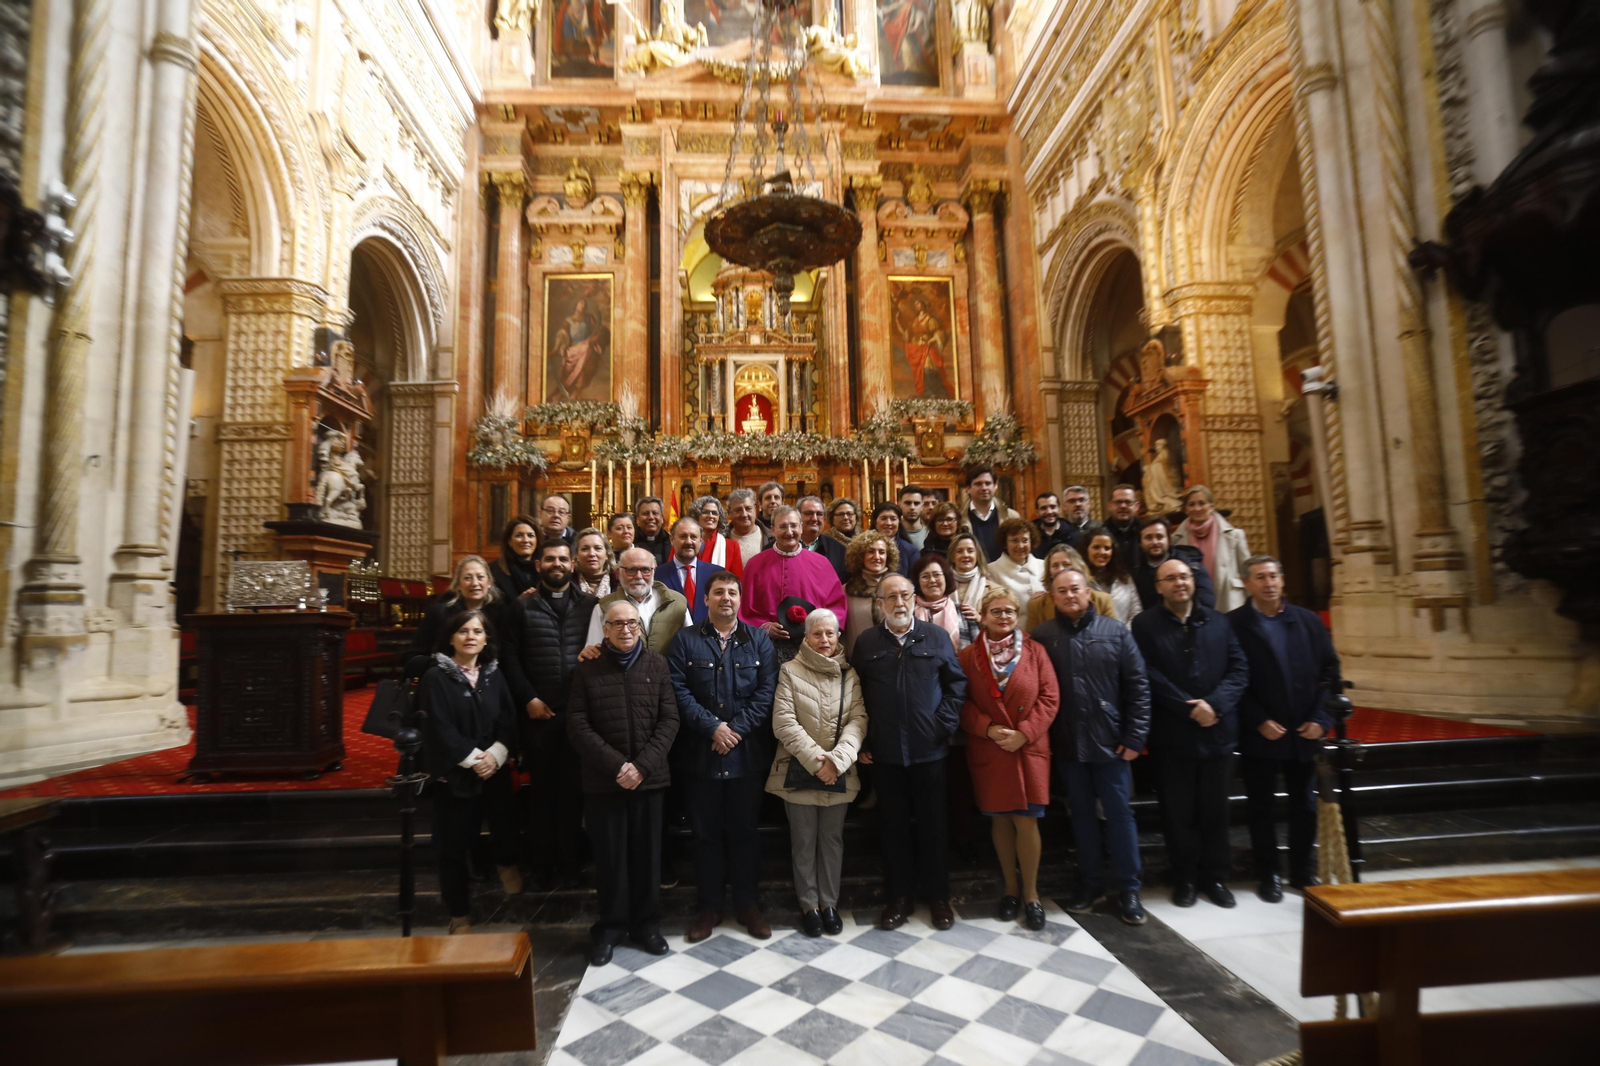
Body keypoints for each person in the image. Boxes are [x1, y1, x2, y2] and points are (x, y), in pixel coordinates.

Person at [1031, 568, 1151, 925]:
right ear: (1052, 597)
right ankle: (1090, 882)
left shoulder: (1115, 632)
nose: (1069, 595)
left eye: (1075, 589)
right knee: (1081, 817)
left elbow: (1139, 686)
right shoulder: (1042, 636)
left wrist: (1134, 737)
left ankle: (1129, 888)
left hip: (1111, 742)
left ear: (1088, 593)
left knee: (1119, 816)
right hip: (1067, 744)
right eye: (1062, 591)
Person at [850, 574, 967, 931]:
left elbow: (956, 685)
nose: (899, 603)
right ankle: (898, 897)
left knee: (934, 828)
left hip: (929, 752)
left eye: (904, 596)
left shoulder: (935, 637)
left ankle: (938, 898)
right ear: (879, 603)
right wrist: (865, 740)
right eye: (891, 597)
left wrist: (941, 725)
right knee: (893, 829)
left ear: (914, 599)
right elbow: (857, 697)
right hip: (885, 754)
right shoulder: (867, 642)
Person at [667, 571, 779, 941]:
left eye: (732, 592)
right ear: (706, 599)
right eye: (718, 592)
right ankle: (710, 907)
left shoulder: (760, 641)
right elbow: (677, 692)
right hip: (700, 755)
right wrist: (713, 728)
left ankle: (748, 905)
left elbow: (767, 694)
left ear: (740, 599)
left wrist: (735, 731)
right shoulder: (684, 641)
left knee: (746, 833)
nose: (726, 598)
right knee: (705, 836)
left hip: (747, 757)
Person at [567, 599, 679, 965]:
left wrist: (642, 766)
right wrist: (618, 766)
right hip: (605, 781)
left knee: (648, 857)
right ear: (606, 629)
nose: (626, 629)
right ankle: (611, 928)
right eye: (617, 624)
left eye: (632, 622)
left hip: (649, 779)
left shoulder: (657, 664)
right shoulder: (587, 668)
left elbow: (669, 721)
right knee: (611, 859)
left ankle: (647, 925)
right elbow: (578, 725)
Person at [1132, 558, 1249, 909]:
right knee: (1177, 813)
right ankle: (1183, 877)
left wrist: (1214, 704)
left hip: (1217, 733)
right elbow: (1146, 673)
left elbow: (1239, 668)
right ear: (1158, 586)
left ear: (1194, 581)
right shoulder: (1144, 624)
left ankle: (1215, 877)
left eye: (1184, 576)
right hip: (1172, 735)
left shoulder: (1219, 621)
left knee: (1215, 811)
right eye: (1170, 578)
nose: (1179, 583)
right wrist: (1187, 707)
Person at [1229, 555, 1339, 900]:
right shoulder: (1233, 624)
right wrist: (1257, 719)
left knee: (1303, 805)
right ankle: (1268, 874)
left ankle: (1303, 870)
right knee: (1261, 806)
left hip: (1304, 730)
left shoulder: (1307, 621)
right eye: (1260, 577)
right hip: (1260, 731)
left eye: (1274, 575)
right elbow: (1233, 679)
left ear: (1283, 580)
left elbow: (1329, 674)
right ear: (1247, 584)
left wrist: (1322, 720)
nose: (1268, 583)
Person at [959, 586, 1059, 930]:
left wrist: (1024, 733)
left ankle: (1031, 895)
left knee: (1027, 820)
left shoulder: (1036, 652)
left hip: (1027, 748)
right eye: (997, 611)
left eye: (1009, 612)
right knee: (1000, 820)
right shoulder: (968, 656)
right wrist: (987, 729)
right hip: (992, 748)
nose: (1004, 617)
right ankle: (1010, 890)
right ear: (983, 616)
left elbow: (1049, 697)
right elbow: (962, 704)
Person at [767, 608, 868, 937]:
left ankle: (830, 904)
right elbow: (783, 722)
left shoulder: (849, 674)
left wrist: (837, 762)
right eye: (817, 634)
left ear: (839, 635)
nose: (824, 640)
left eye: (831, 633)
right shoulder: (790, 671)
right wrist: (817, 761)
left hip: (839, 771)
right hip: (798, 770)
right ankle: (809, 905)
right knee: (804, 840)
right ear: (806, 637)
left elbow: (858, 720)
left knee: (832, 840)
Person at [421, 609, 523, 934]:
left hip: (495, 770)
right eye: (463, 631)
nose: (470, 637)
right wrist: (475, 759)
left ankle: (507, 864)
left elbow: (508, 718)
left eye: (477, 631)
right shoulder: (435, 677)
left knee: (506, 826)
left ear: (486, 639)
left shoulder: (494, 674)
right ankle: (459, 914)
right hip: (456, 774)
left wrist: (496, 754)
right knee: (453, 847)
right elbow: (438, 727)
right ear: (450, 637)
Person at [516, 539, 599, 884]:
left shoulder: (591, 605)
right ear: (539, 565)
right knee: (540, 793)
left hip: (576, 714)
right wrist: (528, 698)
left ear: (573, 564)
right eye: (550, 558)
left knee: (572, 793)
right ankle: (541, 864)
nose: (557, 564)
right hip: (538, 712)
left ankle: (570, 862)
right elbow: (510, 657)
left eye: (563, 559)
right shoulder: (522, 607)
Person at [410, 556, 532, 719]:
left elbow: (507, 656)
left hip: (489, 691)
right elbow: (412, 657)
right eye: (468, 578)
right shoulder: (438, 613)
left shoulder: (502, 614)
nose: (475, 583)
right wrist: (448, 667)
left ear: (489, 582)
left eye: (480, 577)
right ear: (458, 584)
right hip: (446, 692)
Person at [740, 505, 848, 660]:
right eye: (783, 526)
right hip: (766, 646)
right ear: (773, 529)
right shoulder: (755, 564)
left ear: (801, 527)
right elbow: (744, 609)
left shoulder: (822, 563)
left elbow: (837, 606)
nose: (789, 532)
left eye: (793, 526)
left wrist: (817, 630)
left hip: (813, 646)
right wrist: (765, 627)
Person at [586, 546, 689, 651]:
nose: (639, 576)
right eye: (631, 570)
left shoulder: (677, 602)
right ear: (618, 572)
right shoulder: (603, 607)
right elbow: (595, 651)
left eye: (645, 570)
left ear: (654, 571)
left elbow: (690, 644)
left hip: (668, 667)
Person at [1172, 485, 1252, 613]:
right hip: (1194, 606)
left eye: (1202, 503)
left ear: (1212, 506)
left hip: (1229, 603)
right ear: (1186, 509)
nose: (1197, 508)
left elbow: (1247, 573)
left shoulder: (1235, 536)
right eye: (1191, 504)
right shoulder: (1175, 540)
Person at [1133, 515, 1216, 611]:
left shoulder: (1190, 566)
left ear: (1169, 540)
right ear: (1141, 543)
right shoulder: (1135, 570)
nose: (1155, 542)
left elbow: (1206, 603)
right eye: (1148, 538)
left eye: (1160, 537)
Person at [1023, 544, 1115, 631]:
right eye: (1055, 566)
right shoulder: (1036, 606)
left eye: (1066, 564)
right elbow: (1031, 645)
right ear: (1049, 572)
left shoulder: (1103, 601)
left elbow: (1115, 637)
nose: (1061, 569)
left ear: (1078, 567)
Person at [657, 517, 722, 625]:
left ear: (701, 540)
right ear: (672, 540)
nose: (688, 541)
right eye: (683, 536)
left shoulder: (717, 574)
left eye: (694, 537)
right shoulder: (657, 575)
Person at [843, 530, 899, 656]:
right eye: (870, 551)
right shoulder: (846, 591)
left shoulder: (899, 588)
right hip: (858, 662)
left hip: (894, 662)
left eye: (882, 552)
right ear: (860, 556)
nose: (877, 557)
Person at [1080, 524, 1141, 625]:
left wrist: (1123, 634)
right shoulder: (1079, 581)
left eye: (1107, 548)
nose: (1102, 552)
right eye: (1096, 547)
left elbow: (1136, 610)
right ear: (1086, 550)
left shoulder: (1124, 578)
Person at [962, 466, 1019, 562]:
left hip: (1005, 573)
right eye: (978, 484)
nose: (984, 488)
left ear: (995, 486)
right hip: (974, 574)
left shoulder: (1012, 517)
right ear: (968, 489)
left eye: (988, 483)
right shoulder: (959, 519)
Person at [947, 531, 990, 649]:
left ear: (977, 555)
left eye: (970, 551)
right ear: (952, 556)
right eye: (959, 551)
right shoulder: (941, 586)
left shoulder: (992, 589)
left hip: (983, 648)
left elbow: (1000, 624)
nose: (965, 555)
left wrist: (981, 619)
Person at [988, 516, 1046, 602]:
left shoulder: (1044, 565)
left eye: (1025, 540)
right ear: (1005, 543)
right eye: (1014, 540)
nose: (1020, 546)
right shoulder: (991, 570)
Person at [910, 552, 961, 649]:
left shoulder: (963, 612)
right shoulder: (909, 614)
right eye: (925, 576)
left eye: (937, 575)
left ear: (946, 578)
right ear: (918, 582)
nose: (932, 580)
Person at [798, 494, 850, 581]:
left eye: (819, 514)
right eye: (808, 513)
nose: (814, 518)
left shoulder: (839, 550)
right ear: (797, 516)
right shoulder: (782, 546)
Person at [491, 514, 541, 601]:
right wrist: (519, 603)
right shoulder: (494, 570)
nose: (525, 540)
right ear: (510, 541)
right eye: (519, 535)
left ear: (537, 540)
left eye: (530, 535)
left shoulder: (546, 568)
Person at [694, 494, 744, 578]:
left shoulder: (731, 546)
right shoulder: (684, 541)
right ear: (696, 516)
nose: (710, 516)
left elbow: (736, 580)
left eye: (714, 513)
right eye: (705, 512)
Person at [870, 501, 920, 578]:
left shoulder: (911, 551)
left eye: (893, 519)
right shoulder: (863, 548)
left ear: (899, 522)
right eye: (883, 518)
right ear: (875, 522)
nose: (888, 523)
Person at [726, 487, 769, 565]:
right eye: (738, 510)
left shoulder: (770, 537)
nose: (744, 514)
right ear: (729, 512)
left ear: (755, 509)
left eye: (748, 508)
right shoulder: (722, 538)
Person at [1104, 483, 1143, 568]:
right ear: (1110, 506)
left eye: (1128, 502)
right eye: (1118, 502)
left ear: (1137, 506)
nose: (1123, 506)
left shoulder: (1146, 530)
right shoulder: (1101, 533)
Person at [571, 527, 614, 599]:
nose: (592, 554)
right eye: (585, 549)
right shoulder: (567, 582)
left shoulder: (619, 581)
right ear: (577, 555)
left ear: (607, 554)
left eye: (598, 548)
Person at [1032, 492, 1077, 558]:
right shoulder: (1030, 535)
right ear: (1037, 512)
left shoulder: (1074, 535)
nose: (1049, 512)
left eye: (1053, 507)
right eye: (1043, 508)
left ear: (1059, 509)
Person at [634, 496, 672, 565]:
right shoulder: (631, 542)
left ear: (662, 518)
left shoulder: (672, 542)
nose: (651, 517)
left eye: (655, 513)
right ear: (637, 519)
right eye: (645, 513)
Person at [899, 484, 929, 549]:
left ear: (922, 506)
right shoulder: (894, 533)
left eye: (916, 503)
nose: (912, 507)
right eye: (907, 503)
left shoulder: (930, 534)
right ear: (899, 505)